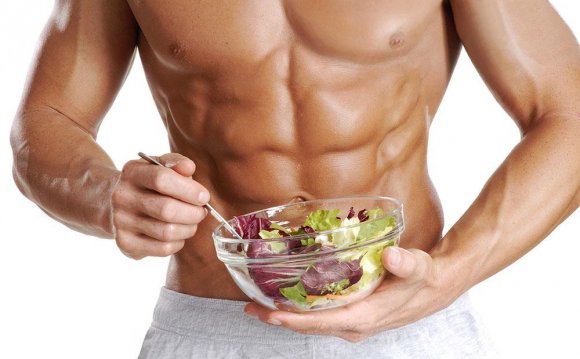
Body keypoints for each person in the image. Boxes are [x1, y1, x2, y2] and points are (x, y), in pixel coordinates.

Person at [10, 1, 579, 358]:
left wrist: (449, 276)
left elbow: (568, 115)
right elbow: (44, 120)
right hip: (213, 329)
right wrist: (105, 195)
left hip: (409, 325)